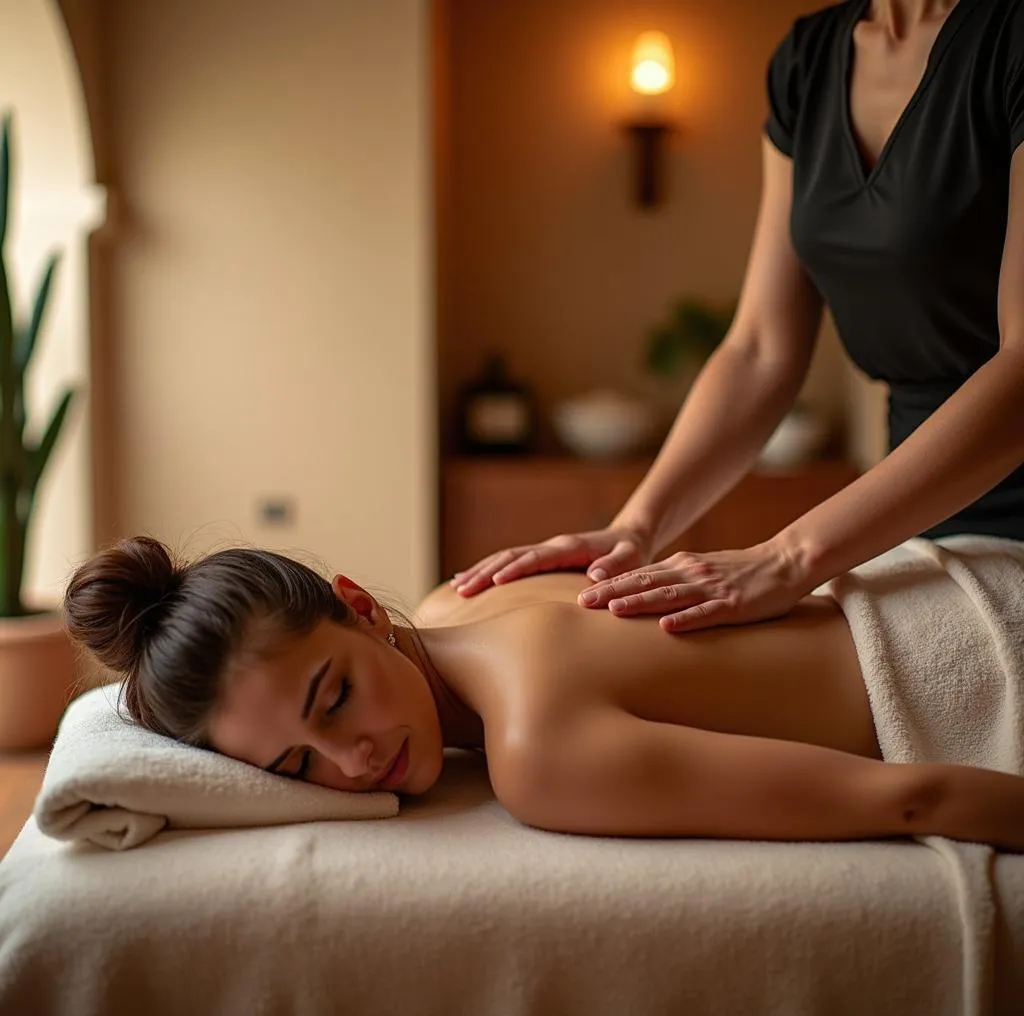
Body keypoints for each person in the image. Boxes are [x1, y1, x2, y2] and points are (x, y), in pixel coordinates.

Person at [451, 0, 1024, 635]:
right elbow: (759, 350)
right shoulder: (809, 61)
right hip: (909, 524)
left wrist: (788, 558)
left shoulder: (1012, 36)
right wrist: (635, 527)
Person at [63, 535, 1024, 850]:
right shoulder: (468, 592)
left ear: (357, 606)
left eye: (335, 697)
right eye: (293, 766)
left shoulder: (537, 752)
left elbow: (907, 797)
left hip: (984, 662)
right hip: (952, 568)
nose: (351, 761)